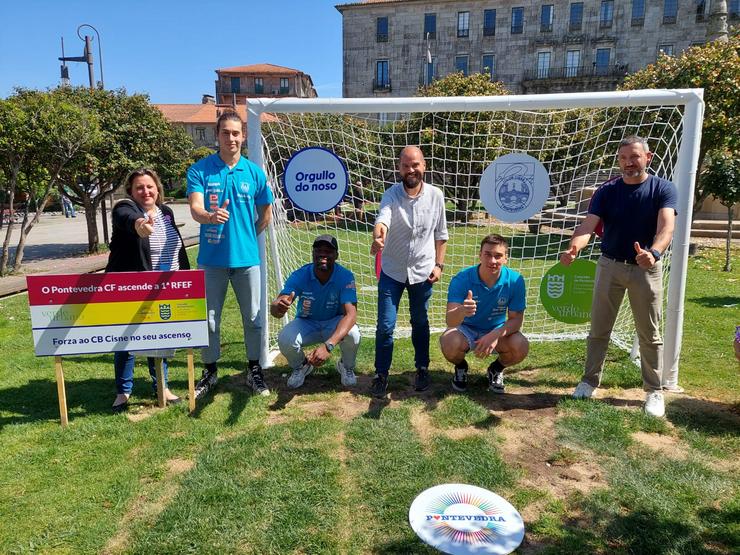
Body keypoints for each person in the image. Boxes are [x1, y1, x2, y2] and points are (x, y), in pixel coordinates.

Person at [560, 136, 677, 418]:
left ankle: (654, 391)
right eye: (623, 158)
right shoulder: (607, 190)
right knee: (599, 329)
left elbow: (667, 227)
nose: (628, 163)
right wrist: (575, 246)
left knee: (650, 333)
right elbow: (589, 225)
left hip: (646, 268)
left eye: (634, 157)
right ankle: (589, 382)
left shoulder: (663, 188)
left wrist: (654, 253)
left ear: (648, 158)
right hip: (609, 265)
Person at [187, 110, 274, 398]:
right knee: (209, 320)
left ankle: (253, 370)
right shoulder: (200, 170)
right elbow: (196, 209)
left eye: (236, 133)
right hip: (211, 262)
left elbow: (266, 214)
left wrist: (247, 237)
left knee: (254, 319)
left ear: (243, 136)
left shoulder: (254, 172)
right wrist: (210, 217)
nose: (231, 138)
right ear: (217, 135)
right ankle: (210, 372)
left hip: (248, 261)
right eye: (226, 132)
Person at [106, 168, 190, 412]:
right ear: (131, 192)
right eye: (139, 188)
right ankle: (123, 392)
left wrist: (184, 278)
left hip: (165, 286)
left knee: (160, 336)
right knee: (126, 339)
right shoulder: (126, 209)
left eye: (150, 186)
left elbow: (175, 247)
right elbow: (125, 217)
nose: (146, 191)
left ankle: (162, 387)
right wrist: (140, 224)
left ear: (157, 188)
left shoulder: (166, 212)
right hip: (130, 286)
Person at [369, 146, 448, 398]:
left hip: (423, 271)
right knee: (385, 325)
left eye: (415, 164)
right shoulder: (390, 194)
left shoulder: (436, 196)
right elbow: (383, 218)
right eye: (405, 165)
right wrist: (378, 234)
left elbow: (441, 235)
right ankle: (381, 374)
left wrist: (439, 265)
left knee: (420, 321)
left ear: (423, 166)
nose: (410, 170)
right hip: (391, 271)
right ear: (399, 168)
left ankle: (422, 368)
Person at [440, 235, 529, 393]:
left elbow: (516, 321)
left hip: (497, 330)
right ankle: (461, 367)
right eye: (488, 254)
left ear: (506, 259)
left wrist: (495, 335)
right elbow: (450, 321)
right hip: (466, 329)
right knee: (449, 342)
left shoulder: (515, 280)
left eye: (498, 256)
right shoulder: (462, 279)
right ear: (480, 255)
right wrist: (462, 310)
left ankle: (496, 369)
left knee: (521, 346)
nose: (492, 261)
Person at [270, 235, 360, 389]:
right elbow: (277, 308)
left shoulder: (345, 276)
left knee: (353, 334)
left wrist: (328, 346)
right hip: (307, 322)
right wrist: (278, 306)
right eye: (319, 250)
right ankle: (302, 366)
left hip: (333, 321)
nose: (323, 254)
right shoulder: (300, 275)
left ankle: (346, 366)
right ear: (313, 253)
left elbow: (350, 315)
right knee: (285, 338)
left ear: (336, 255)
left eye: (328, 251)